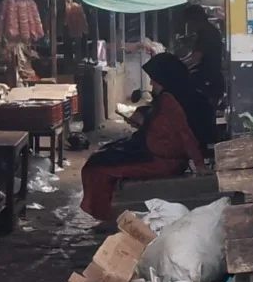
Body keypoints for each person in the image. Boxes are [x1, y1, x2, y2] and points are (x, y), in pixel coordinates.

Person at [79, 54, 214, 224]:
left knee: (98, 166)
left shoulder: (170, 100)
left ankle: (108, 219)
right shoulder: (174, 96)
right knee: (104, 154)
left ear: (164, 78)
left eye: (153, 80)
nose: (151, 84)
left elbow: (184, 133)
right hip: (156, 151)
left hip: (161, 161)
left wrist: (199, 165)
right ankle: (108, 214)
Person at [183, 5, 225, 107]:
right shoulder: (209, 30)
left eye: (189, 22)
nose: (189, 25)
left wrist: (178, 65)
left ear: (194, 20)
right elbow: (194, 55)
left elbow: (195, 58)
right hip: (213, 78)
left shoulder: (206, 33)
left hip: (209, 79)